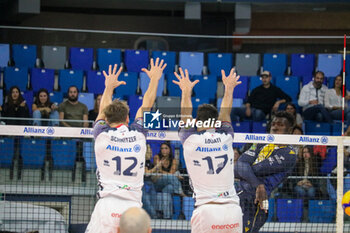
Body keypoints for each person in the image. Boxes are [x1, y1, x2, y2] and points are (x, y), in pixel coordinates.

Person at [85, 58, 166, 233]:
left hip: (106, 205)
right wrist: (154, 80)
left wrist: (109, 87)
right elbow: (147, 105)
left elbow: (102, 110)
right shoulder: (138, 135)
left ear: (106, 119)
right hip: (132, 209)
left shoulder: (101, 134)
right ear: (128, 119)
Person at [176, 67, 243, 233]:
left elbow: (185, 115)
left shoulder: (190, 139)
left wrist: (185, 91)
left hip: (207, 210)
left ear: (197, 121)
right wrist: (229, 88)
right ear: (217, 122)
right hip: (233, 210)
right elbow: (225, 114)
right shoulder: (227, 137)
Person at [234, 111, 297, 233]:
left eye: (280, 124)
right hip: (239, 195)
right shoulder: (261, 143)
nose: (274, 126)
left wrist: (247, 170)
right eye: (273, 123)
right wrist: (259, 184)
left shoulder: (289, 154)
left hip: (257, 201)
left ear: (289, 130)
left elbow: (256, 169)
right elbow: (239, 167)